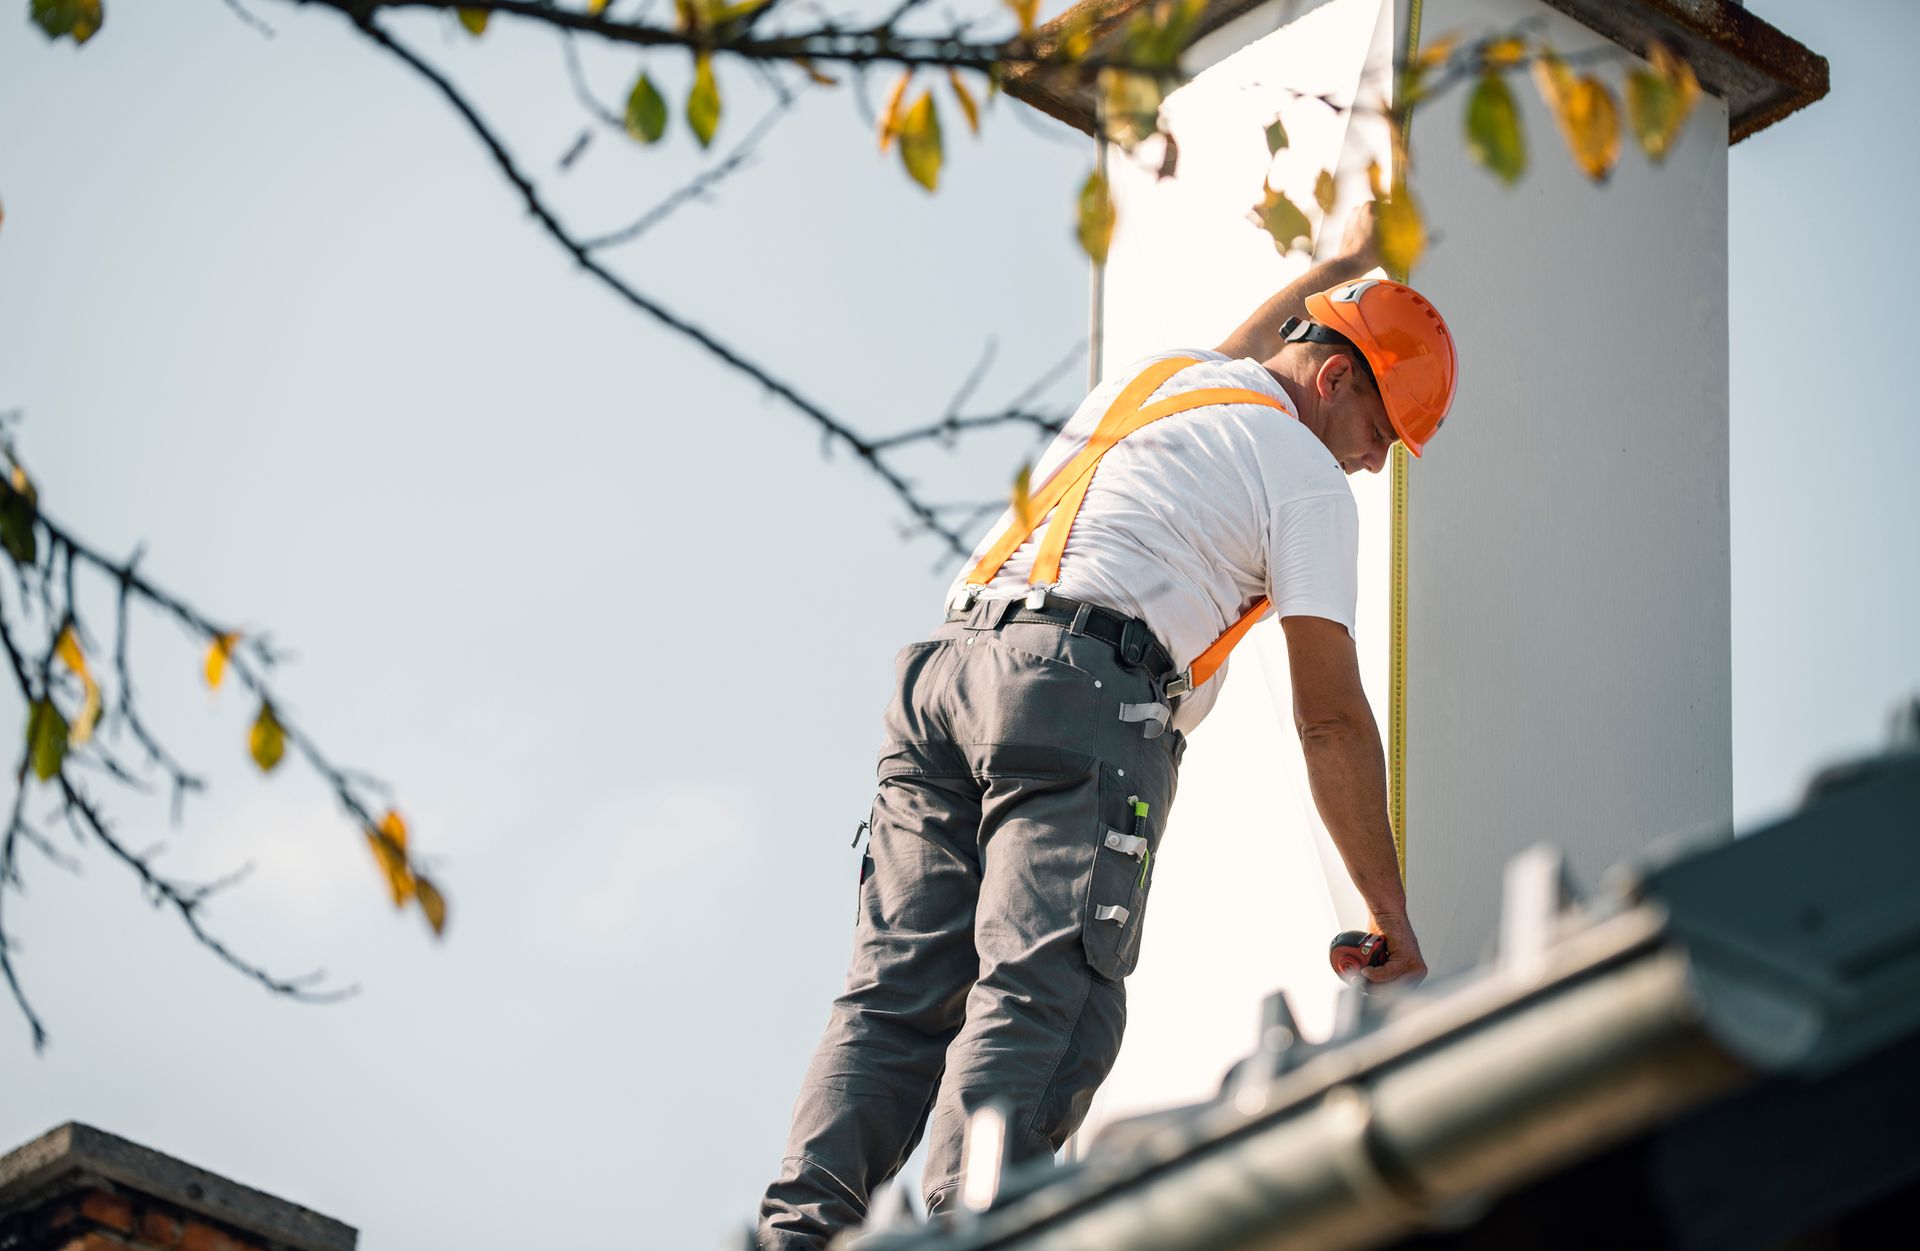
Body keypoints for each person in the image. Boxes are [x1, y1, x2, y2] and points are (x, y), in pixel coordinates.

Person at [758, 206, 1456, 1250]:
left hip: (946, 676)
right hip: (1077, 695)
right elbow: (1331, 719)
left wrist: (1341, 266)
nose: (1372, 465)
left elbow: (1260, 344)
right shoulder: (1307, 478)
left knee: (897, 996)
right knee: (1050, 995)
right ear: (1338, 379)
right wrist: (1388, 906)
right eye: (1381, 434)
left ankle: (796, 1234)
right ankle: (973, 1235)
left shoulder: (1174, 381)